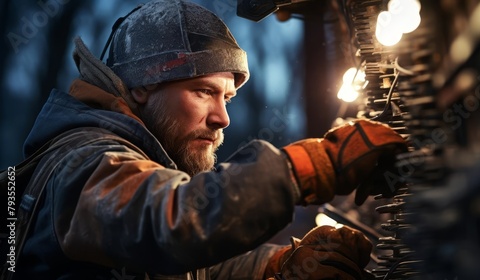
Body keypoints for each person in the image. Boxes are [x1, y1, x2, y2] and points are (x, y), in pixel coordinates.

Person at [15, 0, 407, 279]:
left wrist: (277, 266)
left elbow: (185, 267)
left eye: (228, 97)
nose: (223, 118)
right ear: (141, 88)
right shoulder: (83, 162)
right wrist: (308, 167)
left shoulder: (132, 165)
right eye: (203, 91)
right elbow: (169, 224)